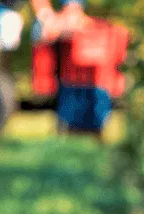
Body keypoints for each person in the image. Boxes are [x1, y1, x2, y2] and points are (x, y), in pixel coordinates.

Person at [30, 0, 115, 139]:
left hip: (86, 83)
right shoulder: (67, 22)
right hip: (74, 82)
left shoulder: (89, 24)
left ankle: (82, 128)